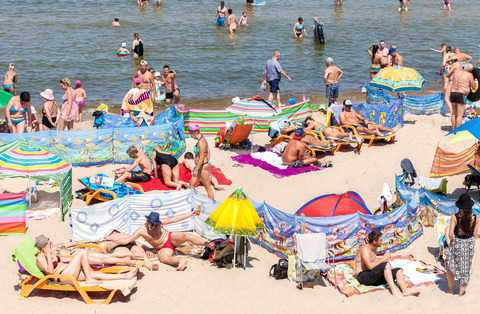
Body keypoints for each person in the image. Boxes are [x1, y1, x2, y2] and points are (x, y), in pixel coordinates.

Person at [104, 211, 216, 271]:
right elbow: (127, 240)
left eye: (154, 224)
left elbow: (174, 219)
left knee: (185, 235)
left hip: (170, 238)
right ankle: (180, 262)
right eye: (150, 224)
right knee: (163, 258)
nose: (152, 226)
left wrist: (190, 214)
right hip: (163, 247)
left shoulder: (159, 223)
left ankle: (208, 244)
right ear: (147, 221)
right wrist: (110, 238)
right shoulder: (141, 230)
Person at [35, 235, 138, 285]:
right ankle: (89, 279)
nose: (51, 244)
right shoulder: (40, 258)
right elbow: (50, 272)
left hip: (69, 271)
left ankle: (125, 276)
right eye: (49, 244)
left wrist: (75, 261)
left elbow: (62, 258)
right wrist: (48, 254)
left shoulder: (51, 251)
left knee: (97, 274)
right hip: (62, 276)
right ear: (43, 246)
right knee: (82, 253)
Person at [355, 230, 420, 297]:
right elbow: (370, 266)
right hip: (363, 276)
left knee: (398, 270)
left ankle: (405, 291)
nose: (382, 241)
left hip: (372, 276)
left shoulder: (374, 248)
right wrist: (383, 258)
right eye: (380, 240)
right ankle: (394, 290)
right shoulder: (364, 249)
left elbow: (374, 265)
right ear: (374, 241)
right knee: (385, 265)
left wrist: (388, 267)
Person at [445, 193, 479, 296]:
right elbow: (475, 234)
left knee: (450, 266)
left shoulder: (455, 217)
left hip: (458, 243)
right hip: (469, 244)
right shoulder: (476, 217)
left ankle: (451, 290)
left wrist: (450, 242)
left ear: (459, 206)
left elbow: (451, 234)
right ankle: (461, 293)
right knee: (465, 269)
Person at [188, 124, 215, 200]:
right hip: (201, 166)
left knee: (208, 187)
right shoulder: (202, 140)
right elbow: (208, 151)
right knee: (192, 183)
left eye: (191, 134)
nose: (190, 136)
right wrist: (207, 159)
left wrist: (197, 169)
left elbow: (201, 157)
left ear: (194, 133)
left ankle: (212, 205)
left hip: (203, 167)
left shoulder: (201, 142)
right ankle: (193, 202)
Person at [450, 63, 475, 129]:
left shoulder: (456, 72)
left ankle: (453, 129)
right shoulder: (469, 75)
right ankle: (457, 131)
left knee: (454, 113)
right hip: (461, 94)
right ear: (470, 70)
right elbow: (474, 87)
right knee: (459, 115)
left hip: (452, 93)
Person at [444, 52, 462, 127]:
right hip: (458, 83)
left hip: (452, 82)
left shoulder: (454, 65)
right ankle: (454, 110)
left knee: (446, 98)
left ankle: (451, 110)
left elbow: (448, 74)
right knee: (454, 99)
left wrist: (448, 68)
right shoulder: (460, 64)